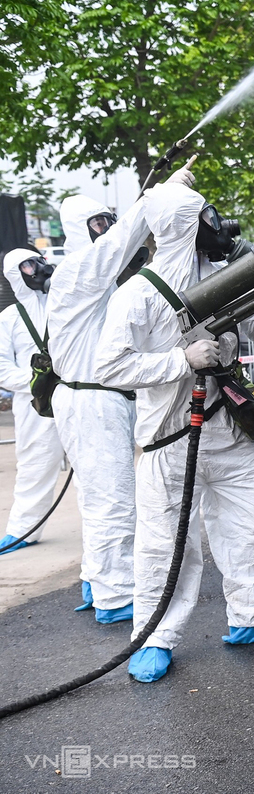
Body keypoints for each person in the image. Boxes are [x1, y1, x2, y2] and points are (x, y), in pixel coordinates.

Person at [96, 183, 254, 683]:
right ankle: (154, 637)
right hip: (171, 440)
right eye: (205, 217)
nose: (217, 226)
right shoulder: (137, 294)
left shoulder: (223, 276)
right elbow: (110, 366)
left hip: (227, 430)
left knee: (252, 526)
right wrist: (180, 360)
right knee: (167, 545)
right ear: (181, 225)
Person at [49, 192, 157, 622]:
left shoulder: (99, 279)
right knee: (112, 500)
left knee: (98, 496)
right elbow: (117, 247)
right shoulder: (79, 270)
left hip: (100, 398)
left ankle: (98, 579)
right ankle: (116, 597)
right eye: (97, 222)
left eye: (109, 219)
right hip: (90, 399)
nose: (106, 229)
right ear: (79, 228)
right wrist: (152, 201)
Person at [0, 249, 69, 554]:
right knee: (35, 465)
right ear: (16, 274)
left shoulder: (64, 304)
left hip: (74, 396)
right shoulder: (9, 318)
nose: (38, 268)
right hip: (35, 406)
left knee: (93, 468)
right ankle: (23, 529)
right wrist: (35, 382)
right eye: (28, 265)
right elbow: (2, 368)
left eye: (39, 260)